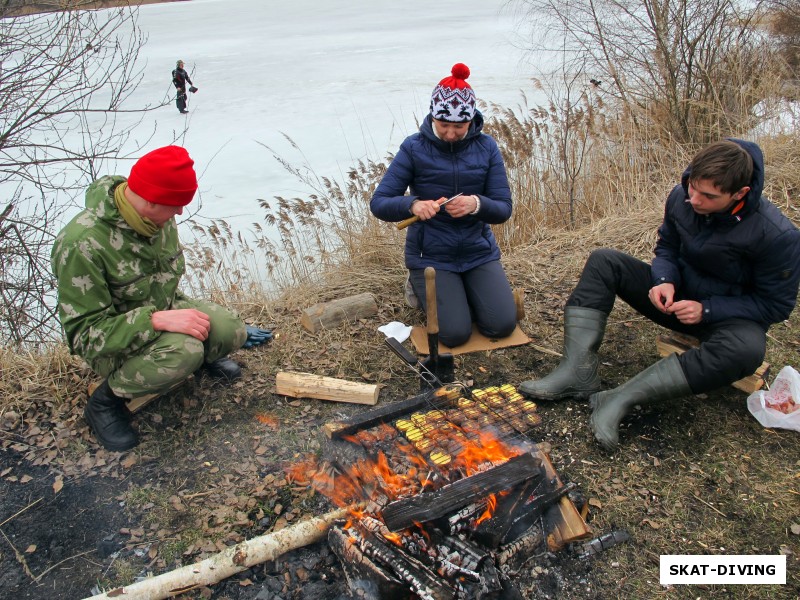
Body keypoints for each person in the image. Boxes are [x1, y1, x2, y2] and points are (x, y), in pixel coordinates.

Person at [519, 139, 800, 450]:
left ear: (740, 194)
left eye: (708, 196)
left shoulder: (777, 236)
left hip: (728, 319)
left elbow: (774, 305)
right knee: (604, 261)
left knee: (746, 352)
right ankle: (577, 372)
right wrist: (663, 278)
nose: (694, 199)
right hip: (674, 299)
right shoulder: (682, 197)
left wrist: (706, 310)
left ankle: (618, 399)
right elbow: (666, 246)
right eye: (693, 187)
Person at [51, 146, 247, 452]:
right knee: (184, 351)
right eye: (175, 205)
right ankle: (106, 402)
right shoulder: (81, 244)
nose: (180, 213)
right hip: (115, 343)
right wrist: (155, 320)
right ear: (150, 201)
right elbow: (85, 336)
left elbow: (164, 284)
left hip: (163, 313)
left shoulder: (156, 219)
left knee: (231, 329)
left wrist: (178, 317)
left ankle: (200, 358)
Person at [370, 63, 517, 347]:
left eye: (459, 127)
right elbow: (379, 203)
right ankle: (418, 288)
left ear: (471, 120)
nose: (451, 133)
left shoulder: (487, 148)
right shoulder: (413, 148)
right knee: (453, 335)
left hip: (478, 253)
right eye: (444, 125)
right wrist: (412, 205)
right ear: (433, 117)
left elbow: (503, 208)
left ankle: (465, 293)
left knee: (501, 326)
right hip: (431, 257)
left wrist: (476, 204)